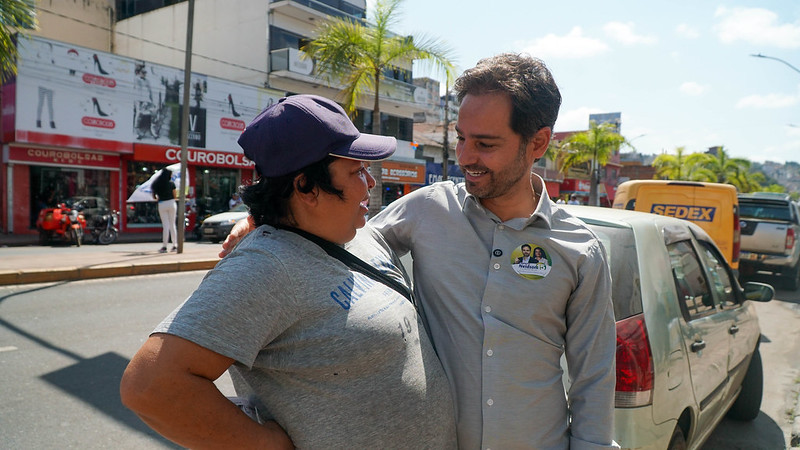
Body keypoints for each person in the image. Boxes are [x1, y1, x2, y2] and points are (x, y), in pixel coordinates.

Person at [223, 54, 616, 448]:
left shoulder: (580, 250)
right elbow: (333, 236)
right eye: (462, 137)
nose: (464, 157)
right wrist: (264, 221)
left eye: (485, 144)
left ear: (538, 142)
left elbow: (593, 377)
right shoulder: (426, 208)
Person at [120, 94, 456, 449]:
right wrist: (267, 445)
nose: (370, 184)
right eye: (356, 171)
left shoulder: (358, 232)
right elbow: (150, 387)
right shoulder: (266, 266)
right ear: (306, 187)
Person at [151, 167, 178, 253]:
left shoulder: (157, 184)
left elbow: (154, 196)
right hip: (171, 203)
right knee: (172, 225)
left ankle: (164, 246)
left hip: (162, 204)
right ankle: (174, 245)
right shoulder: (171, 184)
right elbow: (175, 196)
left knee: (165, 226)